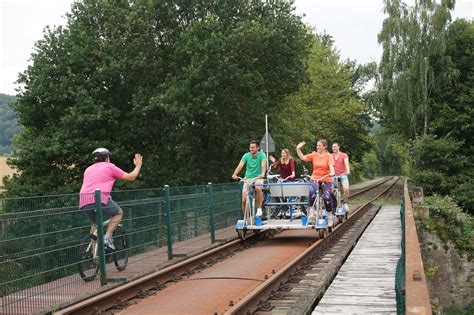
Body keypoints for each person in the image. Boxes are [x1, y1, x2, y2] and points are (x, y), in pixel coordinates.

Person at [79, 148, 143, 250]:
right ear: (107, 158)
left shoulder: (88, 169)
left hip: (83, 200)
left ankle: (94, 255)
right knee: (119, 213)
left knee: (95, 224)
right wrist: (138, 165)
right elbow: (131, 177)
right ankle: (107, 238)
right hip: (99, 197)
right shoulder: (110, 167)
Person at [296, 139, 335, 225]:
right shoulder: (314, 155)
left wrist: (332, 172)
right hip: (315, 178)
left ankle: (329, 216)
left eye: (319, 145)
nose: (317, 147)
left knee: (327, 197)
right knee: (312, 192)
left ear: (325, 147)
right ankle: (311, 214)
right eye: (317, 145)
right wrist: (298, 148)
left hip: (326, 179)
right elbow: (303, 157)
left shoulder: (329, 156)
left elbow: (331, 166)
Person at [232, 140, 267, 217]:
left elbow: (263, 165)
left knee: (258, 187)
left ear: (258, 148)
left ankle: (259, 208)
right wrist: (235, 174)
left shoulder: (262, 155)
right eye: (250, 147)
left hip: (258, 177)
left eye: (253, 147)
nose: (251, 149)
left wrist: (263, 174)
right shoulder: (246, 155)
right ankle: (246, 217)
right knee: (244, 200)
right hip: (247, 179)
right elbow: (240, 165)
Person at [331, 143, 350, 211]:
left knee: (346, 189)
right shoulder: (330, 156)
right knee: (330, 190)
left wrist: (347, 170)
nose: (334, 148)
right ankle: (332, 204)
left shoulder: (344, 155)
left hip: (343, 174)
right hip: (333, 175)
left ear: (338, 147)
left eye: (335, 147)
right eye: (333, 147)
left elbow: (346, 163)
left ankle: (345, 203)